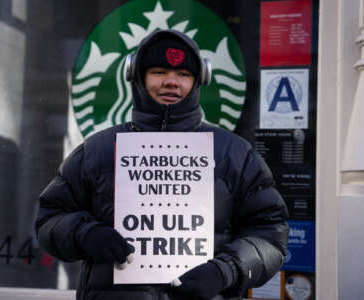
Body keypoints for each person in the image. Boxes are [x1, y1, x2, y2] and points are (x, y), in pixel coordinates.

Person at [35, 29, 289, 300]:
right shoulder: (97, 151)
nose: (171, 82)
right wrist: (85, 233)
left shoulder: (234, 154)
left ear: (199, 79)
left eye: (183, 74)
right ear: (137, 76)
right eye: (158, 72)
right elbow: (49, 218)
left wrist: (225, 270)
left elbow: (270, 232)